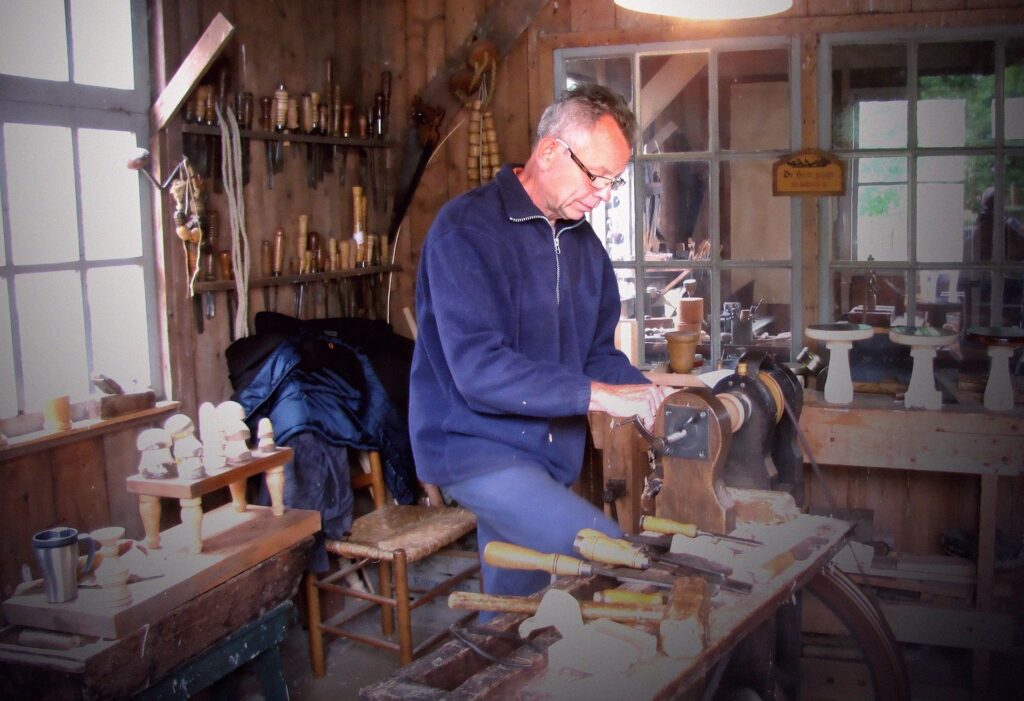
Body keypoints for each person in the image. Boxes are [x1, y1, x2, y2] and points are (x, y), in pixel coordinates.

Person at [409, 83, 673, 609]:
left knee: (518, 605)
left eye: (612, 184)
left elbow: (595, 352)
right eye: (596, 176)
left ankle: (501, 674)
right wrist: (597, 396)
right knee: (615, 558)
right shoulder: (465, 231)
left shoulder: (585, 247)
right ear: (550, 150)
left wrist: (649, 394)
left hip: (547, 453)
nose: (601, 194)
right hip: (476, 449)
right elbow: (480, 370)